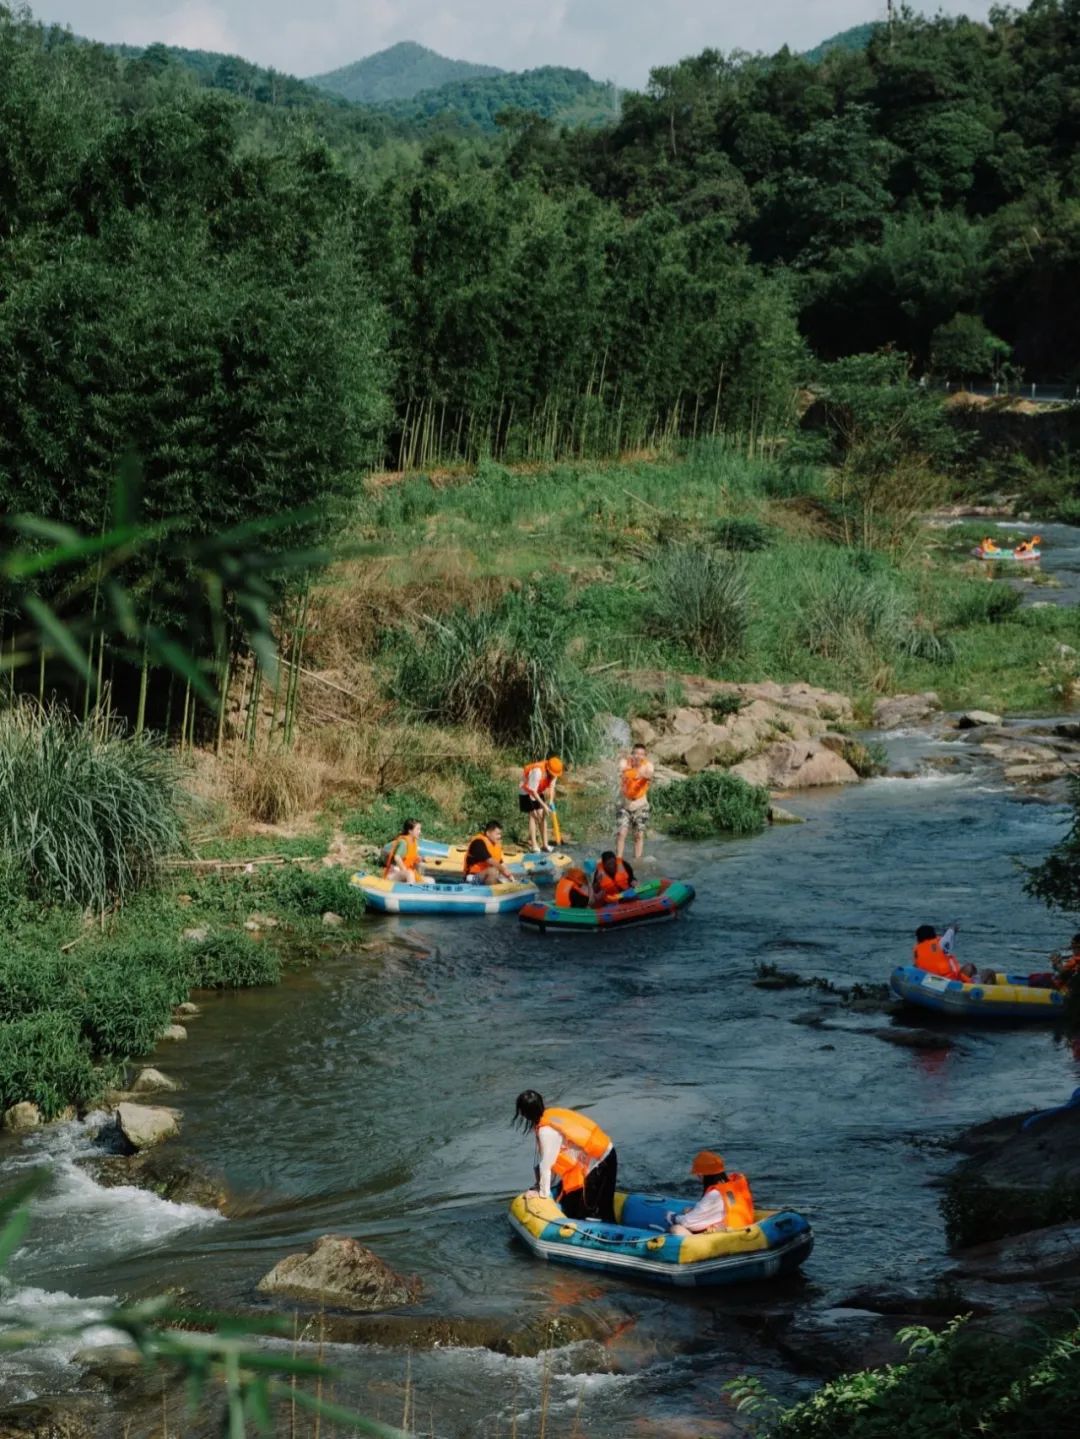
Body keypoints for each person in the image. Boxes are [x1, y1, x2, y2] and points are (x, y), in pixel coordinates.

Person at [514, 1089, 617, 1222]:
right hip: (606, 1152)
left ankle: (608, 1237)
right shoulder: (552, 1116)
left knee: (590, 1213)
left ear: (524, 1114)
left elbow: (547, 1165)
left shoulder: (546, 1131)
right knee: (603, 1206)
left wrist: (542, 1193)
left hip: (598, 1162)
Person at [668, 1151, 756, 1236]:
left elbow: (687, 1223)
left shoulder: (714, 1194)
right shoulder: (733, 1183)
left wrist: (673, 1218)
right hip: (742, 1224)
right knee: (687, 1210)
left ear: (701, 1174)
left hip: (729, 1232)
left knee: (676, 1229)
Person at [616, 743, 654, 863]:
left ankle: (637, 861)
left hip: (641, 805)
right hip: (625, 805)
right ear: (632, 754)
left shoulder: (648, 765)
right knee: (622, 833)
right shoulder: (625, 762)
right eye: (636, 753)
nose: (638, 756)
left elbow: (650, 774)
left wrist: (641, 774)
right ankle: (618, 860)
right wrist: (629, 771)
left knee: (639, 836)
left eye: (641, 754)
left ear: (645, 756)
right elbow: (621, 769)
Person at [519, 756, 563, 853]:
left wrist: (550, 801)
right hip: (527, 789)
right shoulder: (538, 772)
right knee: (533, 816)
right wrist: (544, 805)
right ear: (548, 769)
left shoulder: (554, 773)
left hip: (537, 790)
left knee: (542, 816)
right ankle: (534, 845)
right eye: (552, 774)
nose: (553, 776)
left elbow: (552, 786)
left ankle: (545, 845)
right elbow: (532, 792)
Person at [913, 923, 978, 982]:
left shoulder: (917, 950)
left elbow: (917, 967)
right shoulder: (940, 943)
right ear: (933, 934)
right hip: (947, 981)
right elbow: (952, 930)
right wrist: (956, 926)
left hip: (928, 980)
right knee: (970, 967)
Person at [465, 821, 515, 885]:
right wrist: (505, 872)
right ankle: (493, 891)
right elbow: (490, 860)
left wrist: (510, 876)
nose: (500, 836)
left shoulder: (495, 845)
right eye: (497, 834)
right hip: (472, 877)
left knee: (504, 879)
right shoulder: (478, 843)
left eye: (500, 834)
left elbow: (501, 863)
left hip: (486, 876)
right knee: (493, 871)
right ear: (488, 833)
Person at [383, 818, 431, 885]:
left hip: (406, 874)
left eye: (420, 829)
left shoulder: (414, 842)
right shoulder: (404, 842)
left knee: (430, 880)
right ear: (410, 831)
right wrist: (405, 871)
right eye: (418, 829)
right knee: (410, 874)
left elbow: (412, 858)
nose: (420, 832)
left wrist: (421, 859)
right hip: (393, 874)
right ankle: (411, 892)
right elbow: (397, 857)